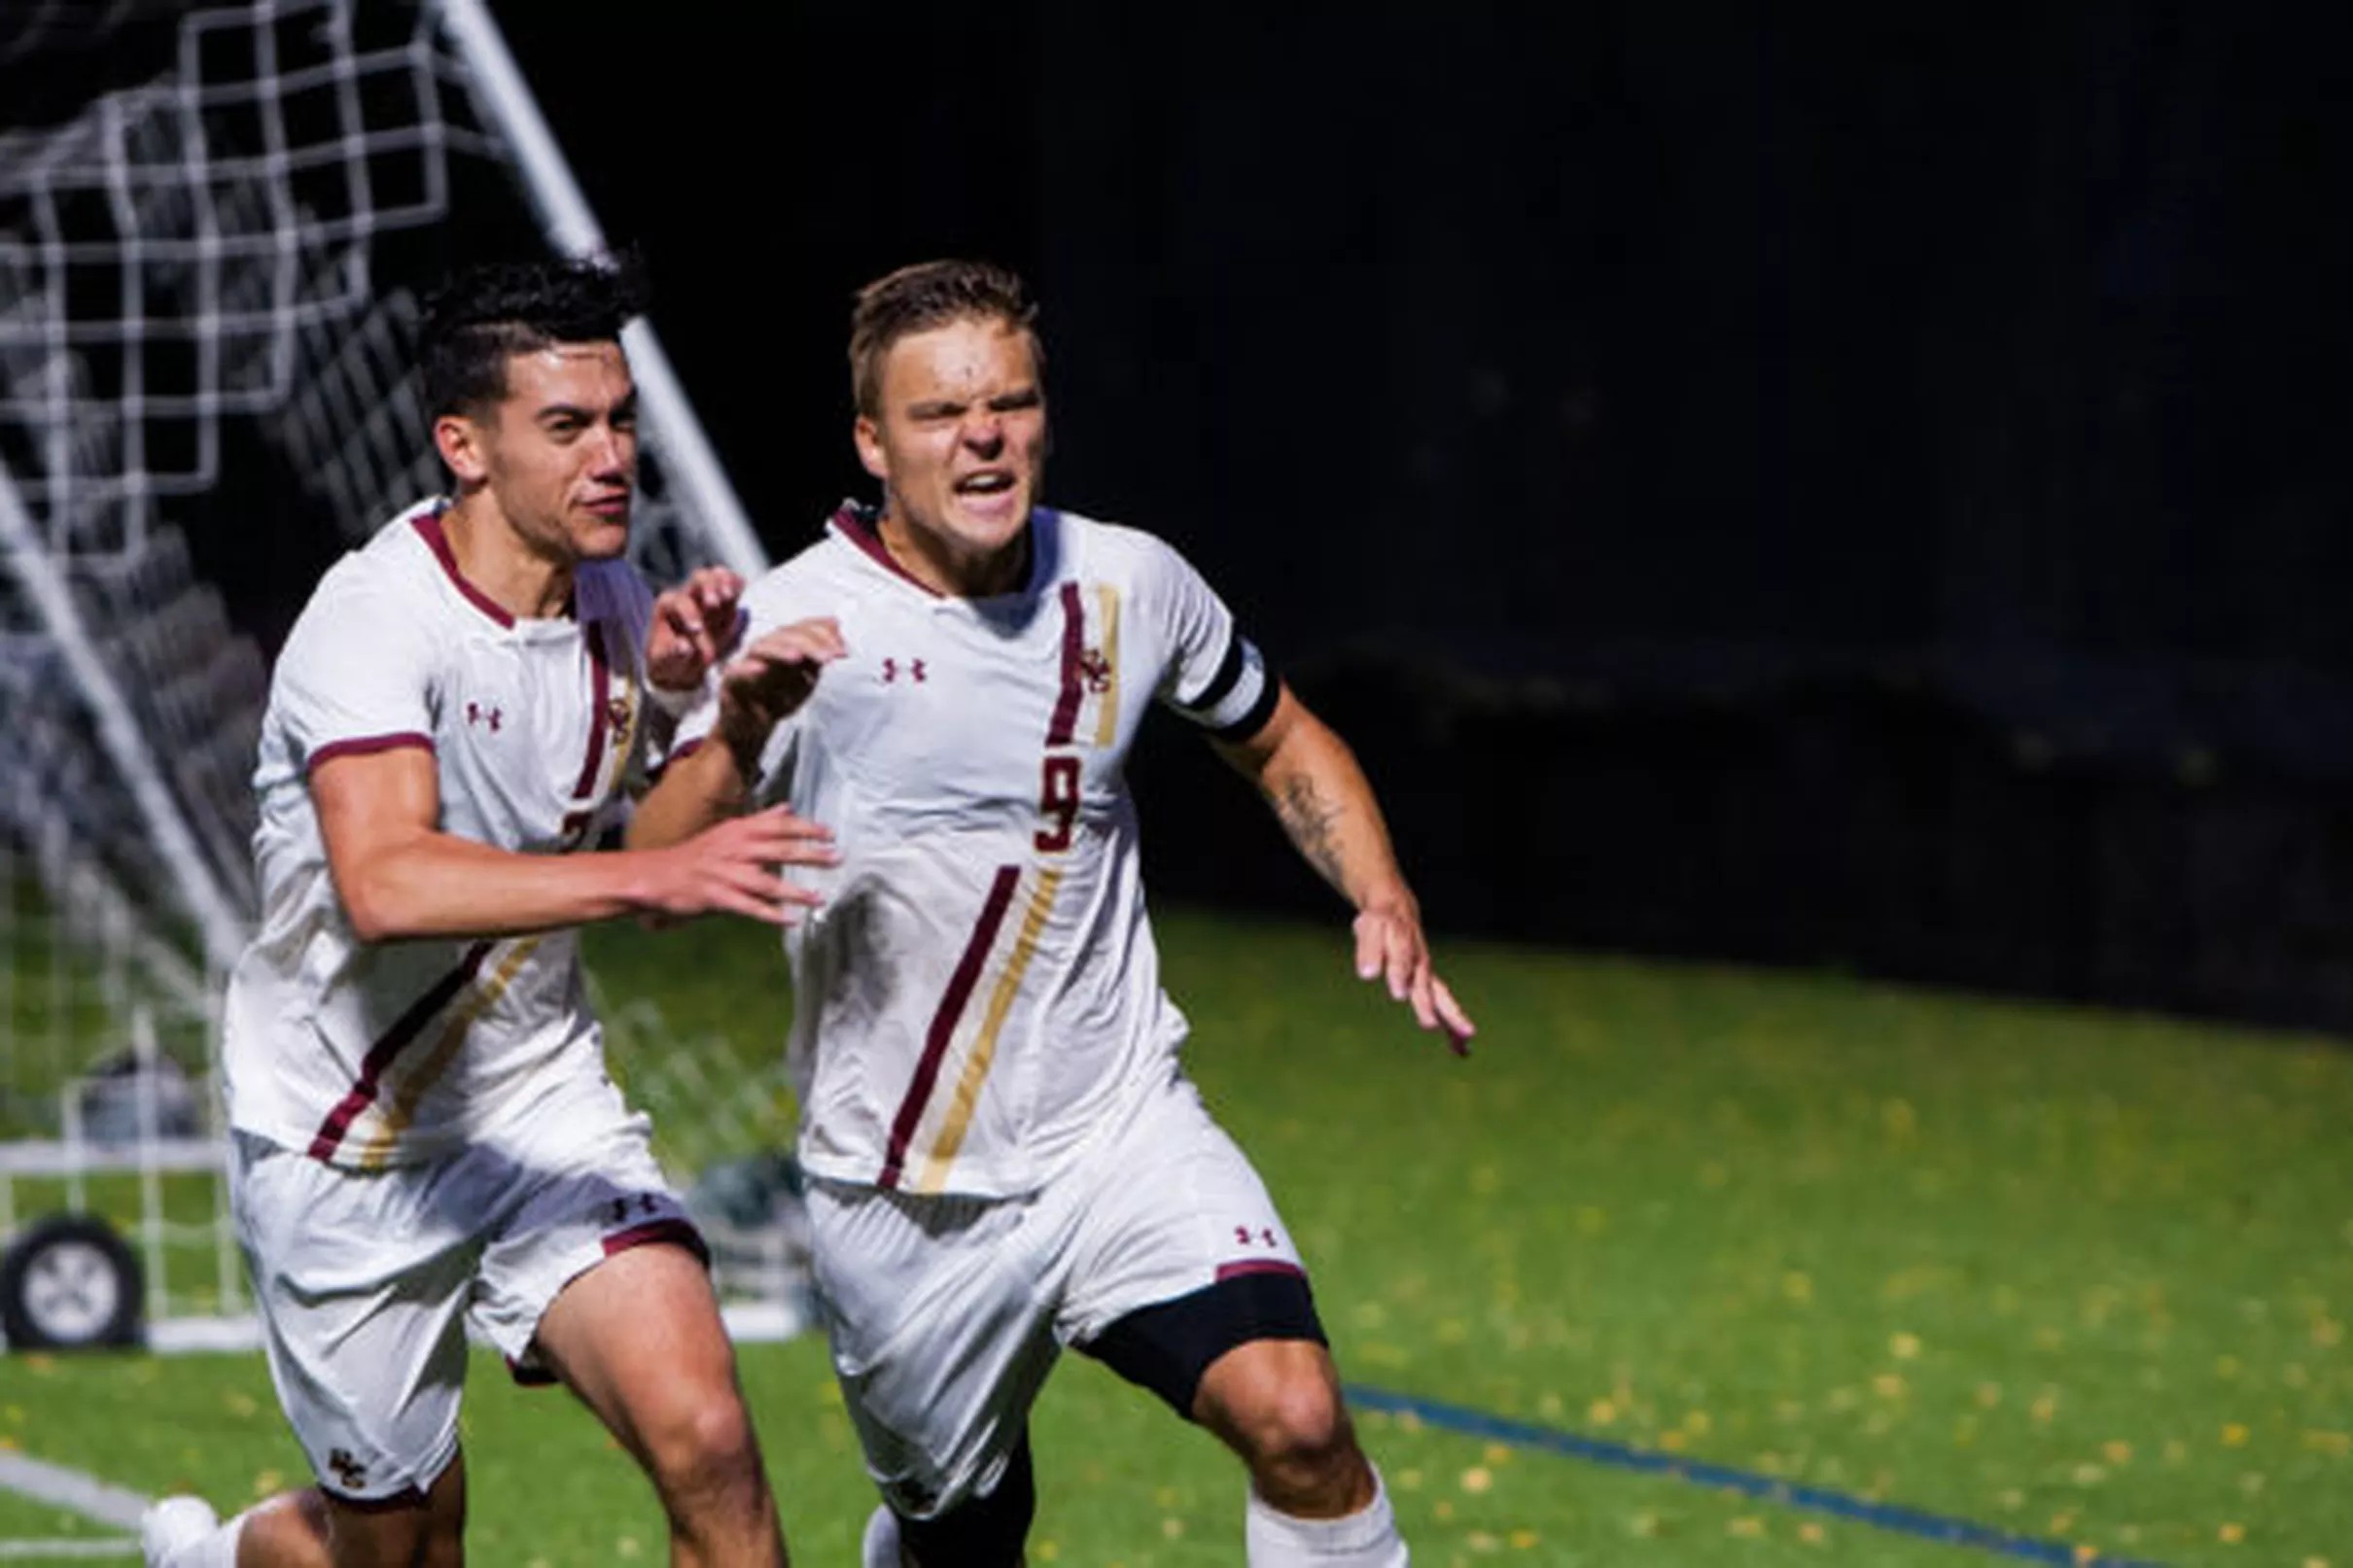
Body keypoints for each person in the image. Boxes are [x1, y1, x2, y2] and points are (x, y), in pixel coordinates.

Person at [631, 260, 1476, 1567]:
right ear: (872, 440)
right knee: (965, 1534)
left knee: (1300, 1419)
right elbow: (654, 878)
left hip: (1115, 1128)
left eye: (1011, 402)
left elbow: (1283, 737)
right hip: (900, 1192)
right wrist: (738, 721)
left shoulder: (1130, 582)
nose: (984, 434)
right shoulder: (797, 620)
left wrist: (1382, 888)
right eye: (939, 413)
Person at [141, 257, 825, 1568]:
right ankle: (230, 1553)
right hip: (347, 1140)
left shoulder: (616, 602)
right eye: (567, 427)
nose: (612, 454)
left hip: (533, 1105)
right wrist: (639, 874)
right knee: (400, 1548)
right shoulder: (372, 622)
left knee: (712, 1442)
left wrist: (729, 719)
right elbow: (386, 882)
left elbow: (669, 860)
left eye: (618, 419)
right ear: (465, 445)